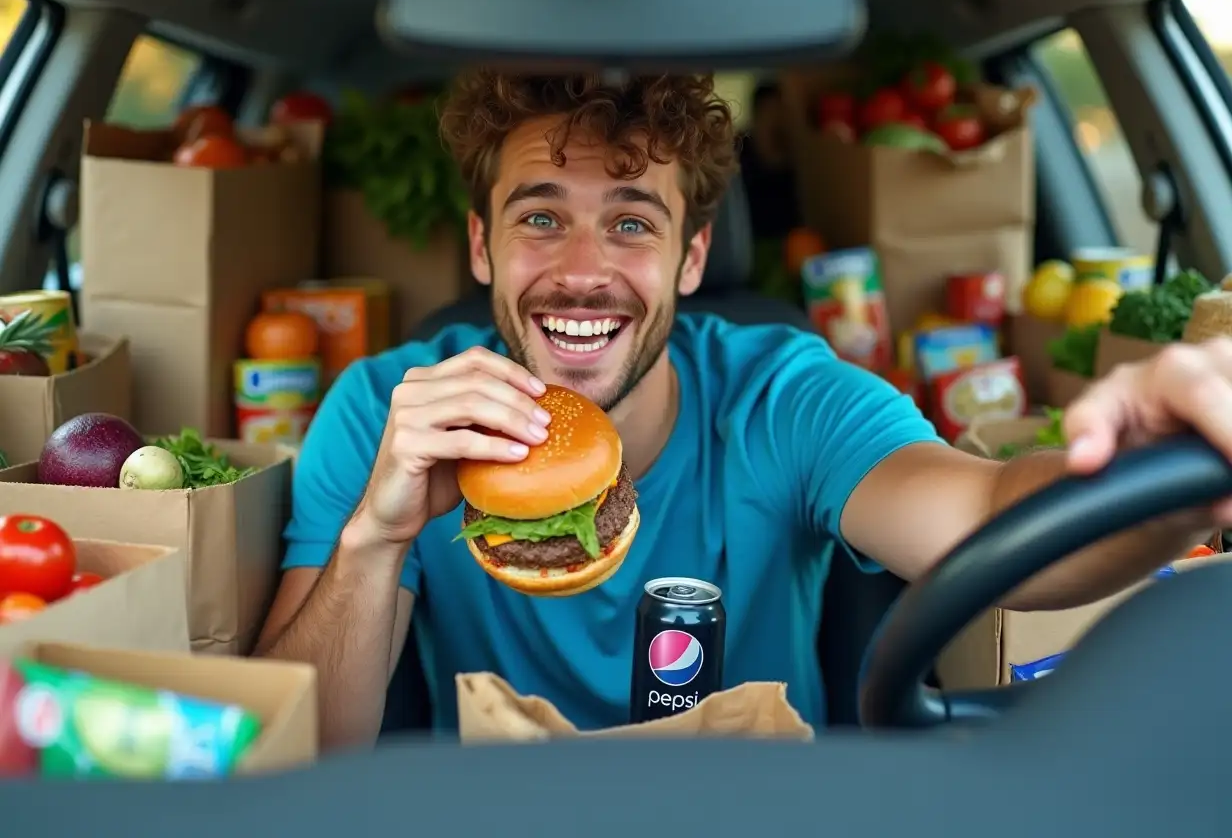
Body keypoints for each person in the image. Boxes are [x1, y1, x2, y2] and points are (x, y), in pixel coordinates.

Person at [255, 71, 1230, 750]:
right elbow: (291, 746)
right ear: (481, 247)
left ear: (690, 258)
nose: (583, 272)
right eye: (539, 216)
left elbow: (987, 521)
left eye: (631, 221)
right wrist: (375, 538)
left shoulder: (783, 396)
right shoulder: (390, 410)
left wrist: (1155, 467)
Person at [738, 80, 802, 239]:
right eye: (769, 115)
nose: (778, 125)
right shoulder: (734, 167)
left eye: (782, 119)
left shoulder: (800, 169)